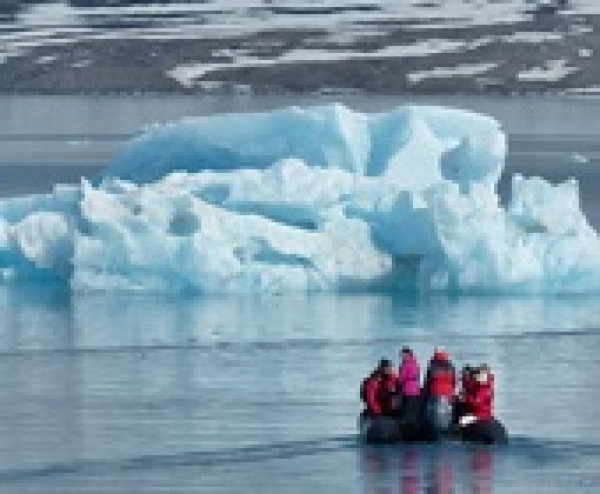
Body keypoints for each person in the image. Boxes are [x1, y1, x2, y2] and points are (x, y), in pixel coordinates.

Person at [422, 347, 456, 437]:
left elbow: (427, 382)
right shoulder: (450, 365)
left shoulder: (432, 365)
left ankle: (433, 431)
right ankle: (447, 430)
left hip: (435, 394)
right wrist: (452, 392)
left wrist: (424, 394)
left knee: (432, 416)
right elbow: (454, 381)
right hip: (448, 395)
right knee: (447, 415)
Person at [398, 347, 421, 426]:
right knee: (413, 411)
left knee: (406, 411)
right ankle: (414, 426)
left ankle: (406, 427)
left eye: (403, 355)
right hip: (416, 391)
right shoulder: (415, 363)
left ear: (407, 354)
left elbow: (401, 378)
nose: (402, 357)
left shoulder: (405, 364)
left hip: (407, 391)